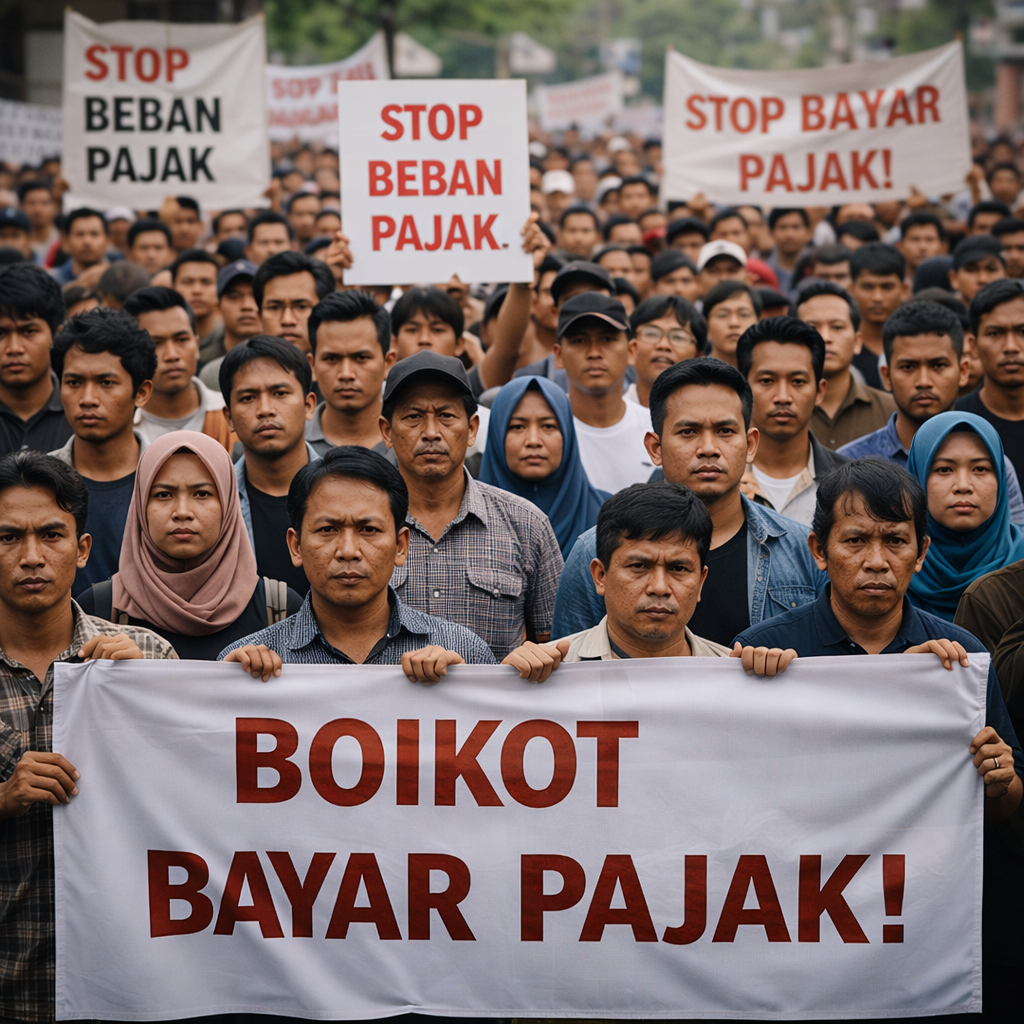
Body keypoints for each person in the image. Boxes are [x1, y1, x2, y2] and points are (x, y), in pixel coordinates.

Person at [732, 458, 1021, 822]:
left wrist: (998, 775)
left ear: (921, 553)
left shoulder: (960, 659)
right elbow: (734, 795)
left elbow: (1006, 803)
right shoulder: (766, 651)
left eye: (895, 541)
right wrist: (751, 690)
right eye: (855, 540)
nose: (877, 561)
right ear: (819, 550)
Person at [0, 450, 177, 1024]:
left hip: (127, 987)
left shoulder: (147, 655)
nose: (31, 557)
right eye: (8, 538)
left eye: (51, 535)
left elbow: (200, 810)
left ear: (81, 549)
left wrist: (145, 695)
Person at [552, 358, 825, 646]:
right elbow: (572, 670)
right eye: (688, 432)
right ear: (655, 448)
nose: (709, 449)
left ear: (751, 445)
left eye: (725, 431)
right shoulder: (593, 550)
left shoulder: (801, 551)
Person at [219, 446, 495, 681]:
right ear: (296, 545)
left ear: (401, 546)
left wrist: (464, 686)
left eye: (369, 530)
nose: (348, 551)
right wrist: (227, 686)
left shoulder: (463, 655)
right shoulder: (247, 667)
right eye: (328, 530)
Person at [379, 351, 562, 660]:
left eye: (446, 416)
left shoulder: (527, 524)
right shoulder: (363, 526)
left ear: (473, 428)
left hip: (497, 709)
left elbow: (558, 644)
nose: (432, 432)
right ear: (387, 431)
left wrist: (534, 658)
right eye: (413, 417)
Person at [77, 431, 302, 659]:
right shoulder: (98, 608)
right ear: (141, 505)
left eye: (202, 494)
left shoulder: (280, 609)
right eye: (163, 494)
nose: (182, 512)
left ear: (228, 503)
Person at [503, 482, 731, 678]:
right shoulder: (548, 673)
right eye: (639, 567)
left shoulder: (735, 677)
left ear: (701, 582)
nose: (660, 587)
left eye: (678, 568)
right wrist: (505, 685)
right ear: (600, 576)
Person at [840, 299, 1024, 524]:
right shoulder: (848, 464)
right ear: (886, 376)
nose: (924, 381)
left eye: (938, 365)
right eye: (908, 367)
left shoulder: (995, 467)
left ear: (963, 371)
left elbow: (1016, 547)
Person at [50, 308, 155, 596]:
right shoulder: (37, 483)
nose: (87, 399)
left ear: (141, 392)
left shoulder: (170, 476)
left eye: (106, 383)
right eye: (74, 383)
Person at [220, 335, 318, 596]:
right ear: (228, 417)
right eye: (248, 397)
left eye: (280, 393)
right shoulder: (215, 501)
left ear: (309, 405)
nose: (265, 409)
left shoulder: (348, 492)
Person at [903, 412, 1024, 620]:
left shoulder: (1020, 563)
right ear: (918, 478)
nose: (963, 486)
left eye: (980, 469)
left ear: (1001, 480)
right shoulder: (891, 567)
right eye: (944, 469)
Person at [479, 376, 607, 557]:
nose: (533, 441)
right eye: (517, 427)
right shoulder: (465, 519)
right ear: (497, 434)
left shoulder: (608, 518)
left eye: (548, 426)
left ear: (567, 434)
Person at [737, 316, 847, 526]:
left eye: (798, 381)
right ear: (743, 390)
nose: (783, 397)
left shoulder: (849, 484)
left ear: (820, 391)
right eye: (767, 381)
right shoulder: (715, 477)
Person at [554, 292, 654, 493]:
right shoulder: (543, 433)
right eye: (579, 341)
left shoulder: (656, 429)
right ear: (558, 355)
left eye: (607, 339)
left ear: (631, 351)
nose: (594, 353)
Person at [122, 287, 233, 450]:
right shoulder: (122, 430)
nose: (172, 355)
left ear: (196, 345)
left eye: (181, 339)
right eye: (155, 344)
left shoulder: (233, 414)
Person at [796, 281, 895, 450]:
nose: (825, 337)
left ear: (857, 342)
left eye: (837, 327)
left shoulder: (890, 411)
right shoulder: (778, 410)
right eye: (812, 327)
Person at [0, 263, 72, 458]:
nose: (14, 348)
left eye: (28, 331)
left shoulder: (81, 411)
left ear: (57, 336)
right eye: (1, 333)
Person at [306, 290, 390, 455]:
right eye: (331, 358)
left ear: (388, 363)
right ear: (312, 365)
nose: (346, 374)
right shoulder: (291, 441)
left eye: (361, 357)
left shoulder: (410, 440)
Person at [956, 279, 1024, 482]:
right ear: (973, 344)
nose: (1011, 346)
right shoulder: (957, 424)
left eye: (1023, 332)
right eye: (995, 333)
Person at [626, 294, 704, 407]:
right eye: (651, 333)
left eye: (678, 337)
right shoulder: (606, 418)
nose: (663, 345)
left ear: (698, 357)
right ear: (631, 350)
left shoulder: (710, 419)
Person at [849, 243, 907, 389]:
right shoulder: (843, 350)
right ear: (851, 289)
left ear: (904, 289)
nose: (877, 297)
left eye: (887, 287)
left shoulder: (917, 345)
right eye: (867, 287)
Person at [255, 250, 335, 355]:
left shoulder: (347, 371)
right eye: (274, 307)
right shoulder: (233, 371)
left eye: (301, 307)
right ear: (259, 317)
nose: (287, 320)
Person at [198, 259, 261, 387]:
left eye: (254, 295)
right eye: (234, 296)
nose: (246, 306)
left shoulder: (286, 361)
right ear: (218, 308)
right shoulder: (200, 362)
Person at [170, 249, 221, 349]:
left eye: (206, 282)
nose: (197, 290)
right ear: (173, 287)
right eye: (187, 282)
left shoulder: (231, 338)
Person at [703, 280, 762, 367]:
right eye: (722, 315)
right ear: (707, 324)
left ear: (758, 321)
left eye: (744, 314)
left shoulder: (771, 374)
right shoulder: (692, 377)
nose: (734, 323)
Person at [50, 209, 108, 285]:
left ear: (108, 240)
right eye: (79, 234)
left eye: (94, 234)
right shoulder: (52, 281)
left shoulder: (122, 280)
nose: (87, 241)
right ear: (66, 241)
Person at [949, 235, 1007, 304]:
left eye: (992, 269)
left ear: (1006, 275)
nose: (983, 279)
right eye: (971, 270)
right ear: (954, 278)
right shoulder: (939, 312)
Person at [766, 208, 811, 293]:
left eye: (795, 227)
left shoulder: (818, 269)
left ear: (808, 232)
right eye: (782, 227)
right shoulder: (764, 270)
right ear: (771, 232)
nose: (789, 234)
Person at [898, 212, 947, 278]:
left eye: (930, 239)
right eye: (915, 239)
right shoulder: (890, 285)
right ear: (900, 246)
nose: (922, 247)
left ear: (943, 246)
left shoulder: (954, 285)